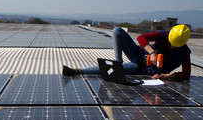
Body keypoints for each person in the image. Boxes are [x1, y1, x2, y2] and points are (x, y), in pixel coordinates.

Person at [62, 24, 191, 80]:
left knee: (112, 70)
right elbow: (141, 38)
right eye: (170, 41)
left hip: (141, 68)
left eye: (175, 44)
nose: (171, 45)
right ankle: (118, 63)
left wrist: (168, 75)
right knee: (117, 31)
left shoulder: (184, 53)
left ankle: (78, 71)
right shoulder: (164, 35)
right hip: (138, 54)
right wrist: (152, 53)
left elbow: (186, 74)